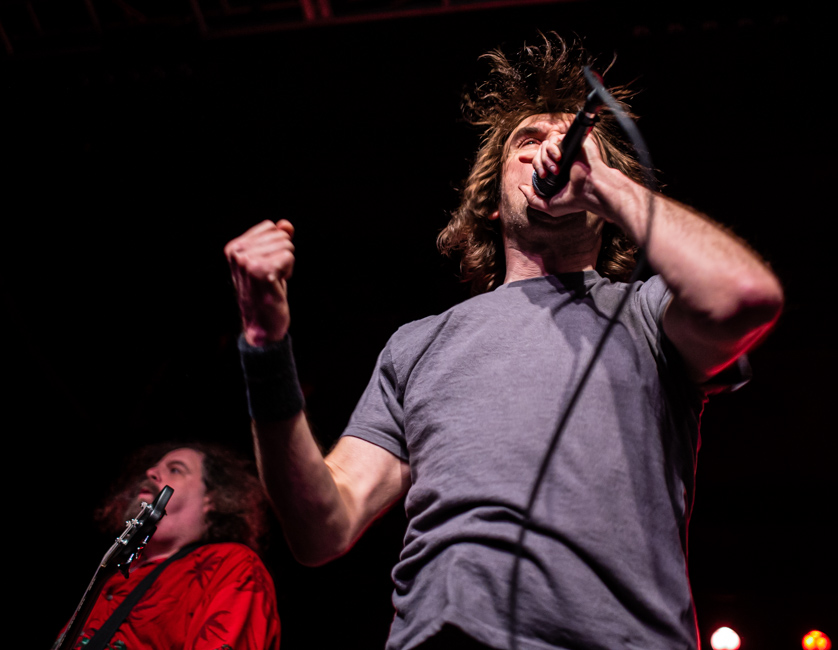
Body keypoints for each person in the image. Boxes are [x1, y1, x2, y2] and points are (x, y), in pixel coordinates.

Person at [226, 35, 783, 650]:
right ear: (490, 201)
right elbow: (320, 527)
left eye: (572, 143)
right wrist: (265, 348)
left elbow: (743, 297)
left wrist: (609, 186)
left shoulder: (647, 313)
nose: (554, 151)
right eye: (529, 141)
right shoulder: (417, 345)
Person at [59, 443, 281, 650]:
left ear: (211, 499)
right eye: (152, 467)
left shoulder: (231, 564)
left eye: (175, 469)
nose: (150, 473)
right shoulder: (111, 576)